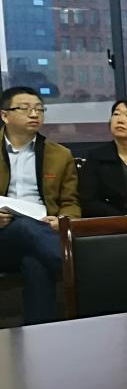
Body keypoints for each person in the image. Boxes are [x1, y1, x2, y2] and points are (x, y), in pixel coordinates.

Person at [0, 86, 80, 324]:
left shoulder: (60, 155)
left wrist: (62, 220)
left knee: (34, 264)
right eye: (25, 109)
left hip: (43, 233)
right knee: (24, 226)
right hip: (3, 236)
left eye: (39, 109)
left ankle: (40, 334)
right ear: (5, 115)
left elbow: (70, 202)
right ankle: (88, 271)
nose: (34, 114)